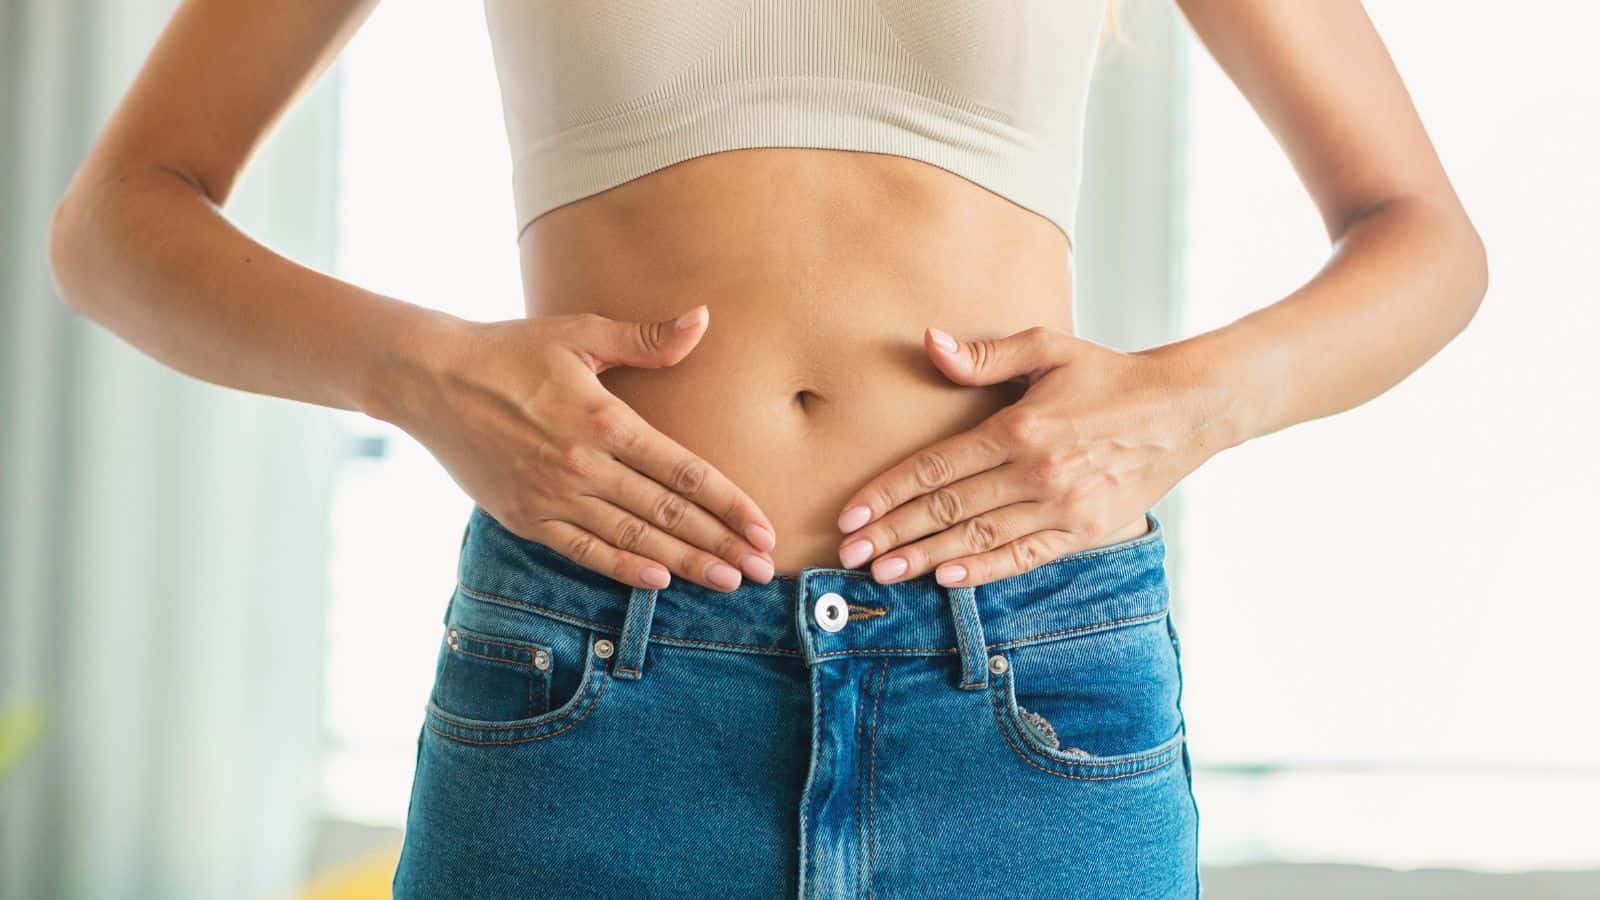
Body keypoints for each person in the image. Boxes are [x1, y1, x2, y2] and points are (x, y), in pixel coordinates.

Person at [46, 1, 1486, 897]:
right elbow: (120, 221)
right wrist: (426, 374)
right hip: (596, 676)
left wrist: (1181, 407)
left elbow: (1421, 237)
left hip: (1019, 689)